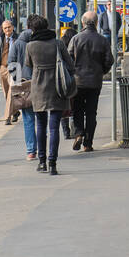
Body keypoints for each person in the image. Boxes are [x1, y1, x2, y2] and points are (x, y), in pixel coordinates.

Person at [23, 15, 75, 174]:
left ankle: (42, 162)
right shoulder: (58, 43)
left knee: (40, 125)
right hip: (57, 87)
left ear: (33, 29)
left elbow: (28, 65)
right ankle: (53, 164)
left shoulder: (30, 46)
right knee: (54, 128)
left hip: (38, 88)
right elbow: (70, 64)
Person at [67, 10, 113, 152]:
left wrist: (74, 72)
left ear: (83, 22)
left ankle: (79, 133)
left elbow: (68, 59)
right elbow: (109, 60)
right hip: (95, 81)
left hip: (78, 81)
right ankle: (88, 143)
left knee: (78, 110)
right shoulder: (102, 40)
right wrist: (101, 71)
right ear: (97, 22)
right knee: (92, 112)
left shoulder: (75, 38)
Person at [8, 15, 38, 160]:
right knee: (43, 118)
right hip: (41, 85)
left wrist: (19, 80)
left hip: (25, 85)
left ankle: (31, 150)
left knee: (28, 119)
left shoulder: (17, 43)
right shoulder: (40, 42)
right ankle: (43, 148)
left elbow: (12, 63)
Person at [0, 18, 19, 124]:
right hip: (3, 68)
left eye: (9, 27)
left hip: (15, 67)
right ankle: (15, 111)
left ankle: (7, 117)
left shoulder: (18, 38)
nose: (7, 29)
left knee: (12, 92)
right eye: (5, 28)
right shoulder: (0, 38)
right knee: (6, 92)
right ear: (2, 29)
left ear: (13, 27)